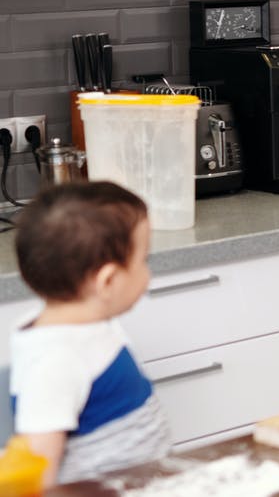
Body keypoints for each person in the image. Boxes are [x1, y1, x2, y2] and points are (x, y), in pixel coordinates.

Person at [9, 182, 171, 487]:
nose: (148, 273)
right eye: (143, 261)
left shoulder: (90, 324)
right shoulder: (55, 360)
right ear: (107, 282)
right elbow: (38, 470)